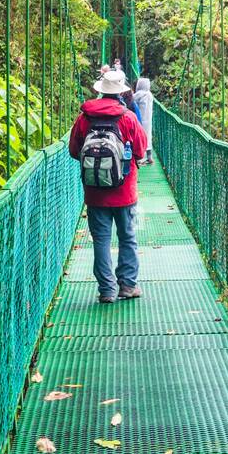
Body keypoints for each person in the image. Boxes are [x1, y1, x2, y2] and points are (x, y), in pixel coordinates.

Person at [69, 69, 148, 304]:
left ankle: (106, 290)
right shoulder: (128, 117)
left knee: (101, 240)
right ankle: (128, 285)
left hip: (95, 192)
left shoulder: (84, 118)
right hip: (125, 191)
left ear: (100, 90)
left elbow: (74, 151)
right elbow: (141, 151)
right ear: (121, 91)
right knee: (127, 237)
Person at [134, 77, 155, 164]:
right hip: (148, 119)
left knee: (139, 137)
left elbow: (131, 102)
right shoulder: (150, 95)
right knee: (148, 136)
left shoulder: (138, 94)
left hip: (139, 119)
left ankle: (140, 158)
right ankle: (149, 157)